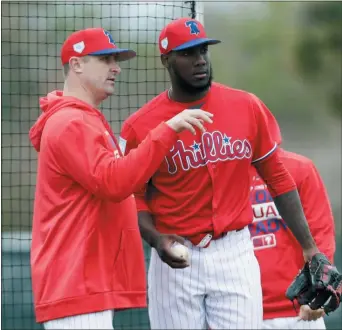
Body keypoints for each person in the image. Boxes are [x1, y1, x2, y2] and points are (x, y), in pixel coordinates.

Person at [119, 18, 340, 329]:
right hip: (175, 256)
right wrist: (156, 240)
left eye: (203, 51)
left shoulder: (245, 106)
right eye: (187, 53)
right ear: (166, 60)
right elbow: (133, 195)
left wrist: (310, 248)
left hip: (234, 251)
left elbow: (277, 178)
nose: (199, 60)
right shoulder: (140, 126)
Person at [28, 27, 213, 330]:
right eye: (105, 59)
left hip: (85, 283)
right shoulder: (70, 122)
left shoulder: (82, 119)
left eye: (116, 59)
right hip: (77, 283)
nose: (116, 67)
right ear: (77, 65)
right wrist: (167, 130)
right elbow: (114, 183)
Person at [248, 110, 336, 329]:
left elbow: (321, 233)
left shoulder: (300, 169)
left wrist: (320, 291)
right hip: (239, 310)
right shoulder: (224, 177)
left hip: (300, 311)